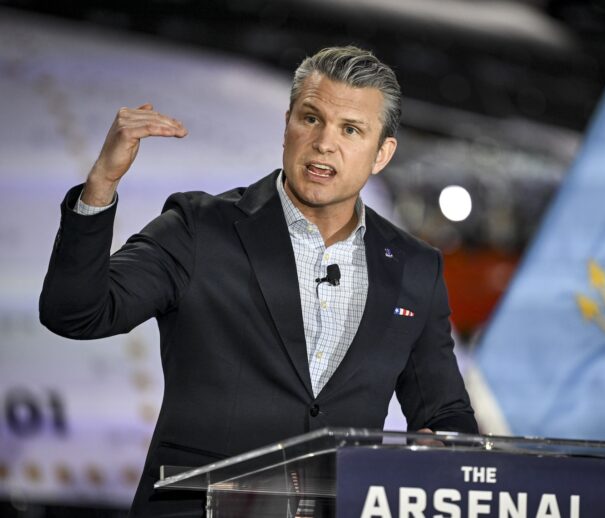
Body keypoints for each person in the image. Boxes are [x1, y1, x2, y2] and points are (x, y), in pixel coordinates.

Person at [39, 46, 477, 516]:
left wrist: (441, 451)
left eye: (350, 130)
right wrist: (101, 185)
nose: (324, 142)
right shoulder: (199, 227)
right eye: (311, 119)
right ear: (286, 124)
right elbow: (76, 313)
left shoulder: (414, 266)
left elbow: (445, 413)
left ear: (381, 153)